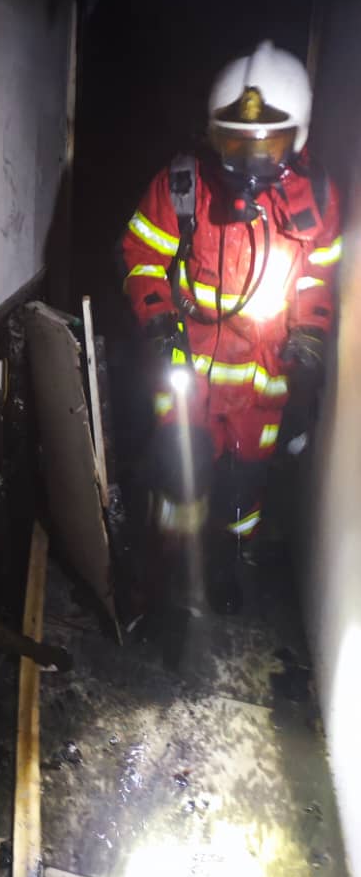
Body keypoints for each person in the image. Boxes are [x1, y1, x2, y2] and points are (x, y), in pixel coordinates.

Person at [120, 40, 341, 615]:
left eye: (267, 146)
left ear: (298, 138)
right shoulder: (183, 187)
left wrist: (311, 332)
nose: (248, 161)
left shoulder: (316, 199)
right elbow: (141, 255)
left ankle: (226, 564)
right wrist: (157, 318)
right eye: (234, 143)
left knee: (245, 484)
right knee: (180, 472)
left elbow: (317, 275)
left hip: (264, 378)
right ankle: (165, 572)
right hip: (187, 366)